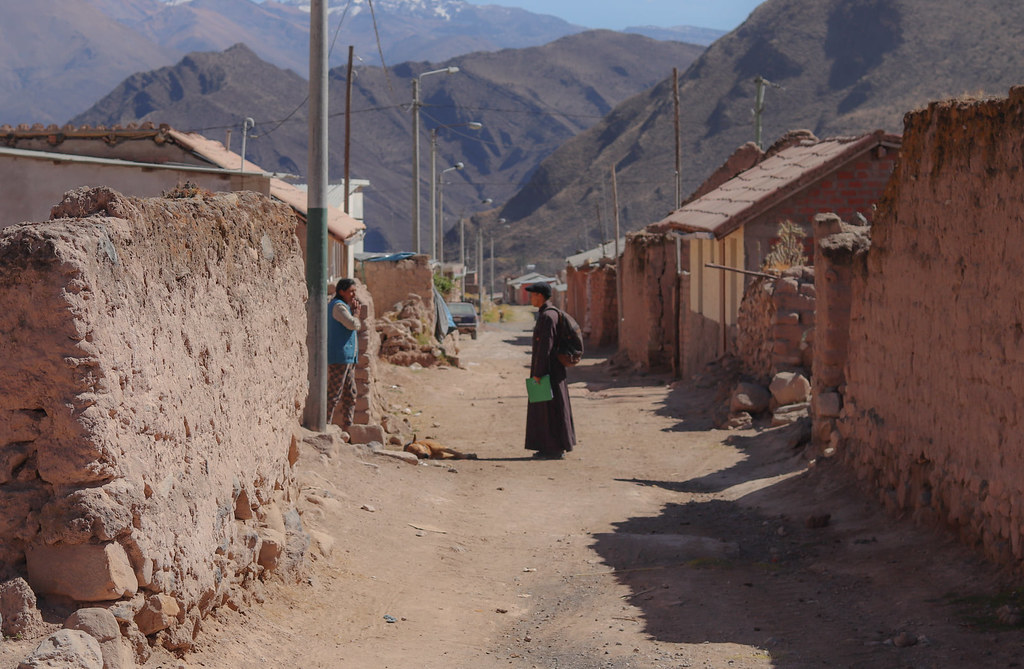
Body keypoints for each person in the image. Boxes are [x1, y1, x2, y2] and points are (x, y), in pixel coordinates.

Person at [524, 282, 576, 459]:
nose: (531, 298)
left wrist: (538, 373)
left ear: (540, 296)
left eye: (533, 295)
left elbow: (545, 347)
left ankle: (553, 449)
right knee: (548, 409)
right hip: (551, 370)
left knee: (549, 410)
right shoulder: (549, 314)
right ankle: (549, 447)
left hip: (548, 372)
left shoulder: (548, 317)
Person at [327, 278, 361, 430]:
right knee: (334, 393)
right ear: (341, 292)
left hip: (347, 358)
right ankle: (325, 425)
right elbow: (352, 324)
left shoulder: (344, 307)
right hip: (339, 357)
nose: (354, 295)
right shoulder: (338, 307)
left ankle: (348, 427)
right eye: (351, 291)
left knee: (350, 393)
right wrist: (356, 314)